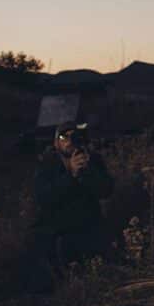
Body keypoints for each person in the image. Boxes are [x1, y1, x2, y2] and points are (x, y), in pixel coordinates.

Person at [27, 121, 115, 292]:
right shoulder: (47, 164)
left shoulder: (92, 160)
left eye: (73, 136)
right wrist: (71, 175)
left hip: (88, 225)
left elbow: (106, 191)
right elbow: (44, 197)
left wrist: (88, 172)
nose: (68, 140)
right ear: (55, 143)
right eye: (62, 137)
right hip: (58, 228)